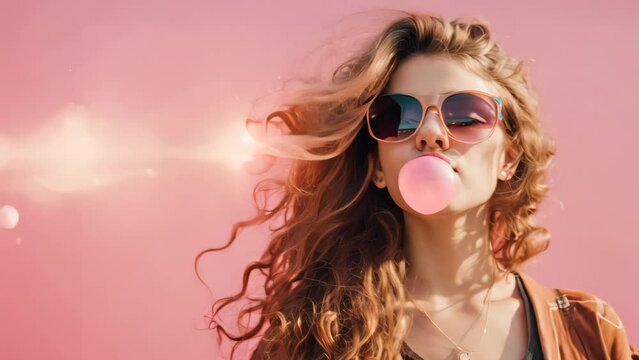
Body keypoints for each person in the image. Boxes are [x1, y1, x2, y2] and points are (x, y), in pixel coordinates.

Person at [195, 10, 638, 359]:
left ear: (509, 157)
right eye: (397, 116)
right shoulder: (318, 335)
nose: (431, 133)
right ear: (378, 168)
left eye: (466, 114)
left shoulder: (589, 331)